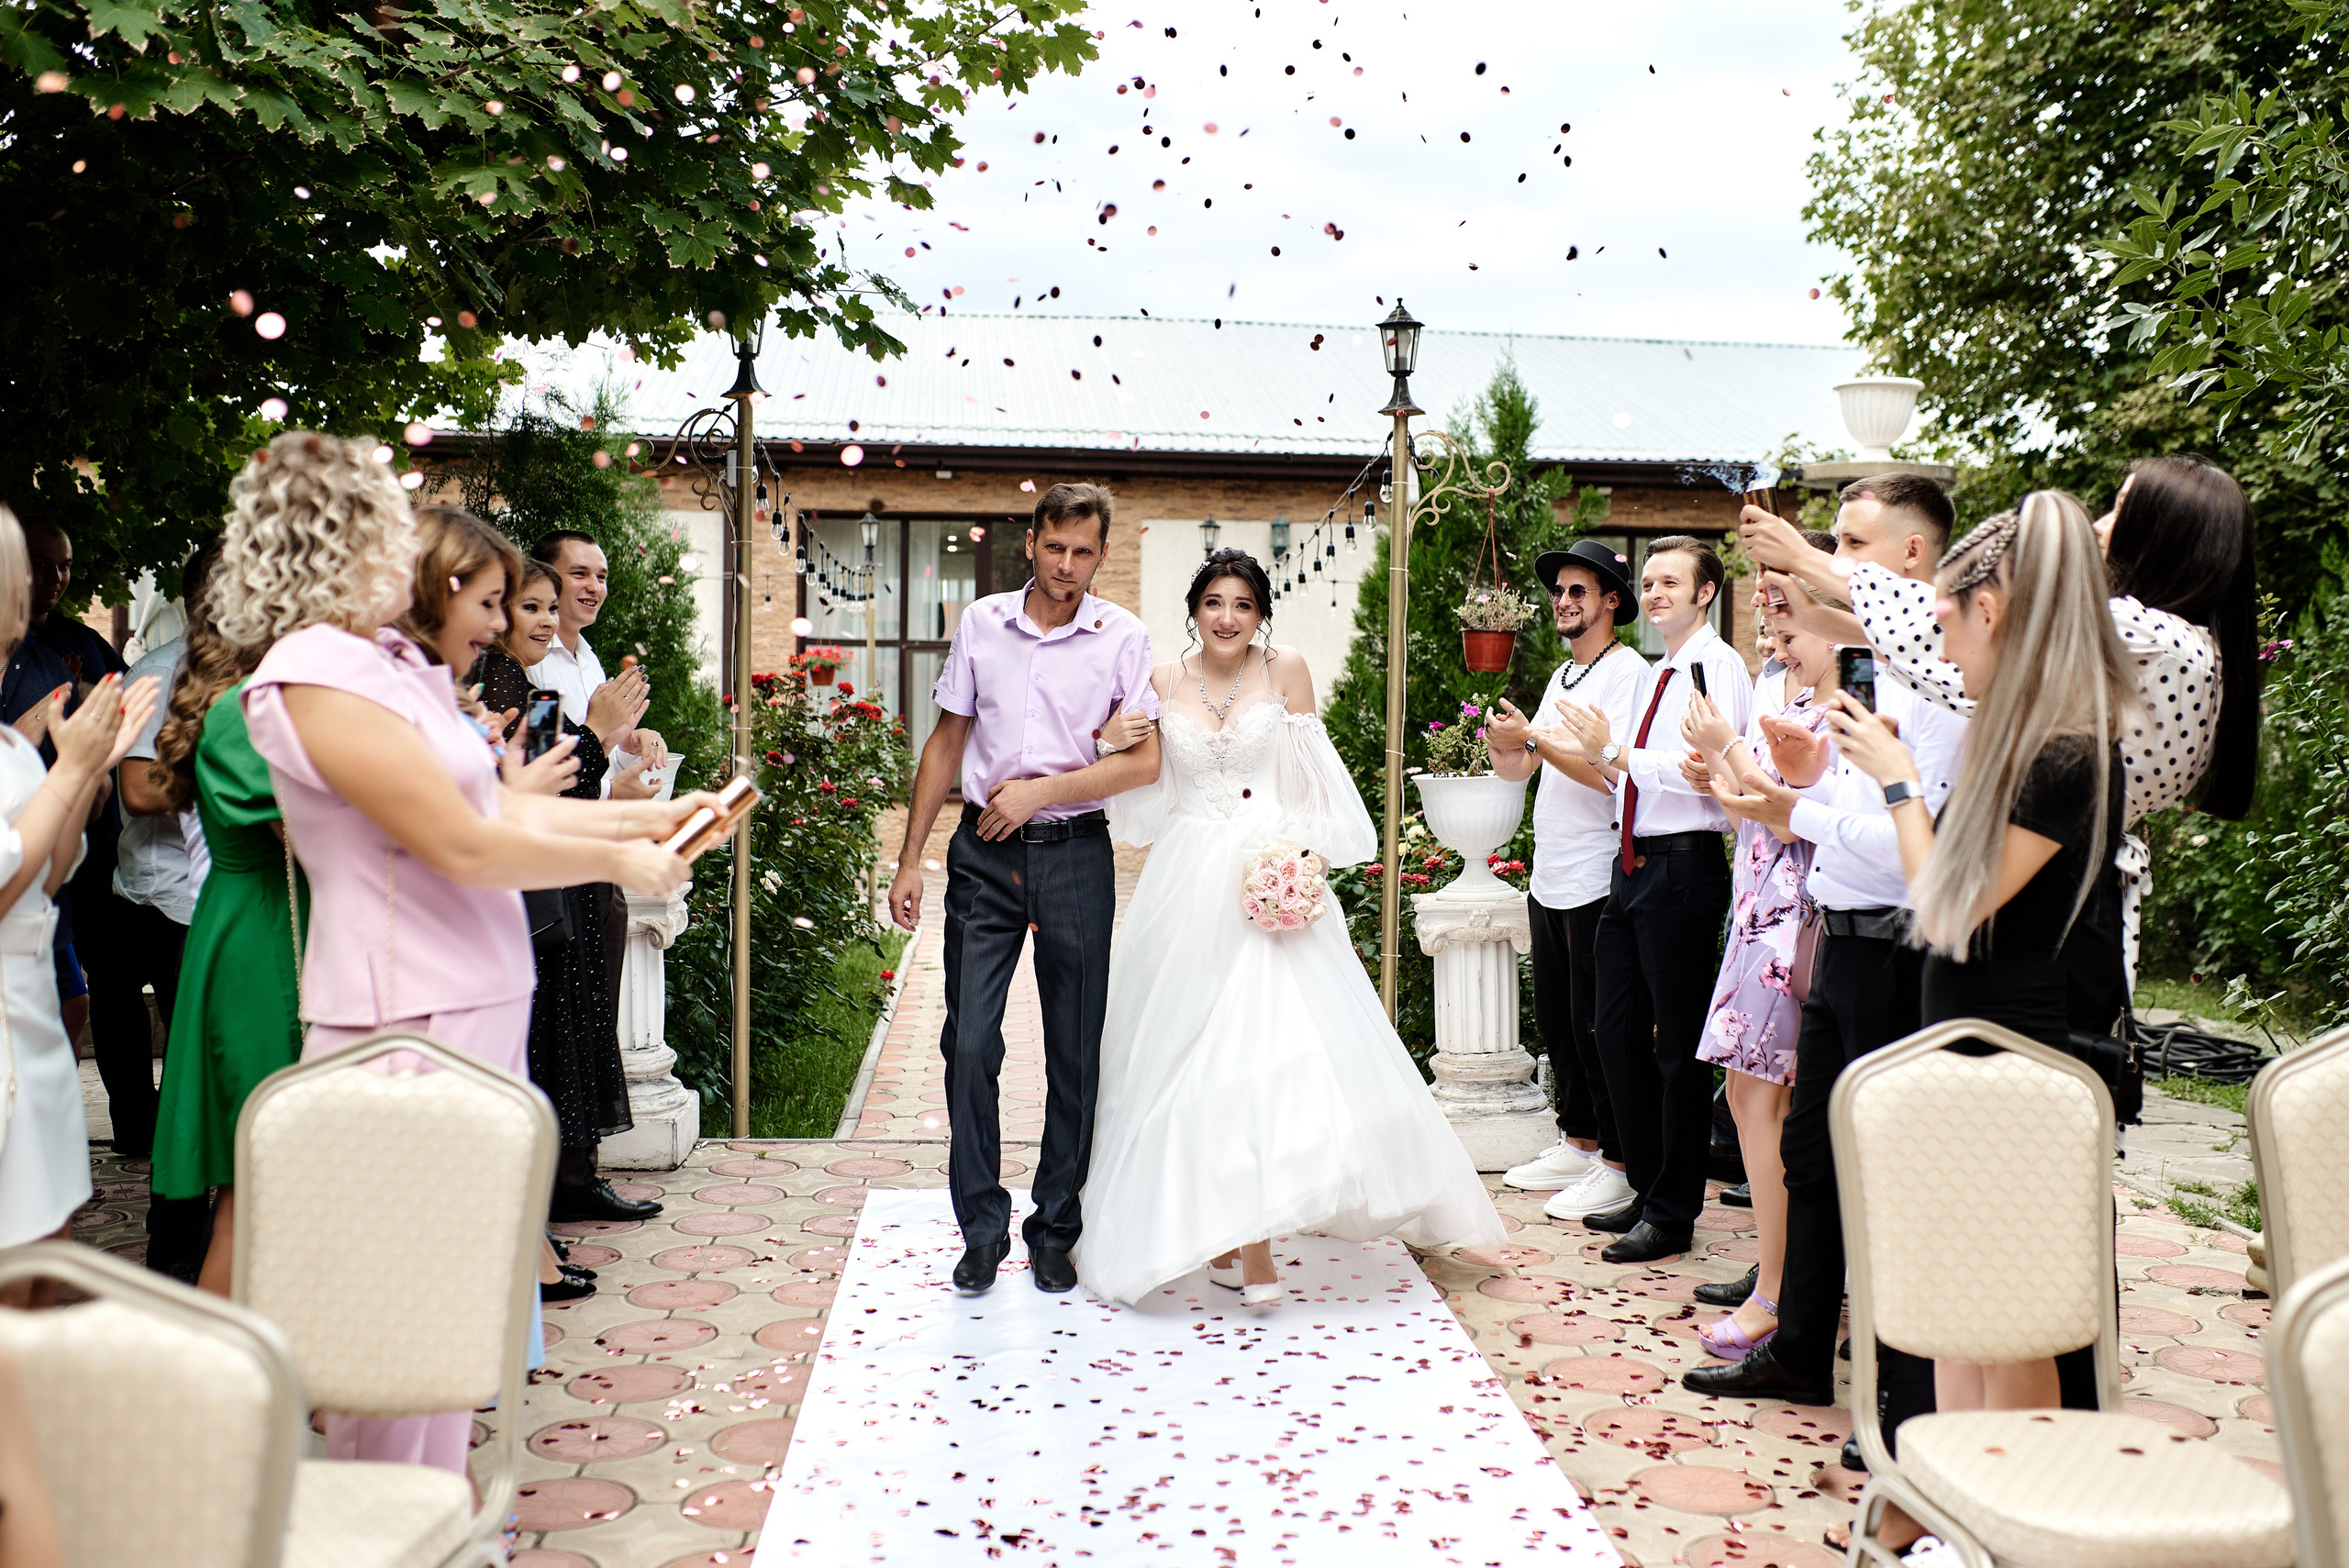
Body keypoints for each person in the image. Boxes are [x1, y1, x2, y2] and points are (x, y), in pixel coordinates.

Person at [227, 431, 719, 1473]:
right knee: (398, 1315)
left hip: (472, 1005)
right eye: (380, 519)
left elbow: (492, 803)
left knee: (450, 1318)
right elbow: (452, 840)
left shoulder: (390, 663)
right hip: (406, 1019)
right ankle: (384, 1514)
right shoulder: (311, 676)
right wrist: (626, 862)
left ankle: (431, 1503)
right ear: (333, 537)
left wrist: (651, 820)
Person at [1824, 492, 2138, 1553]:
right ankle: (1962, 1515)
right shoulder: (2024, 742)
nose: (1942, 647)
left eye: (1947, 622)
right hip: (1960, 1046)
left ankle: (2018, 1523)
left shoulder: (2068, 751)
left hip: (2016, 1057)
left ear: (1992, 609)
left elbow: (1948, 907)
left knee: (2013, 1321)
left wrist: (1898, 779)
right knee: (1955, 1303)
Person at [1078, 549, 1504, 1307]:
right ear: (1194, 608)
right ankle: (1213, 1227)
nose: (1227, 617)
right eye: (1214, 602)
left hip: (1266, 872)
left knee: (1263, 1054)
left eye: (1242, 604)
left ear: (1261, 612)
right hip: (1185, 883)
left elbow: (1314, 783)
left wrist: (1297, 864)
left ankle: (1257, 1245)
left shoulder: (1287, 670)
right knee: (1179, 1059)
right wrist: (1111, 736)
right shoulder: (1163, 680)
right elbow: (1145, 790)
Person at [1684, 473, 1966, 1411]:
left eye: (1850, 545)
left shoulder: (1947, 681)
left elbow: (1906, 842)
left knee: (1888, 1179)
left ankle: (1903, 1402)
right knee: (1812, 1155)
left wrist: (1793, 808)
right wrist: (1811, 783)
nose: (1834, 564)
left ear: (1911, 559)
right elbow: (1860, 795)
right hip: (1839, 937)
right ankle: (1800, 1351)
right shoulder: (1887, 668)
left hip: (1896, 944)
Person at [885, 483, 1162, 1297]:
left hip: (1075, 852)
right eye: (1056, 547)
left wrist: (1042, 791)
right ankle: (979, 1227)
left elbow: (1142, 762)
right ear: (1030, 542)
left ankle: (1053, 1229)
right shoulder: (981, 624)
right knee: (969, 1042)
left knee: (1075, 1049)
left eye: (1084, 552)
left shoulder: (1124, 638)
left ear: (1102, 554)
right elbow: (945, 742)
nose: (1068, 565)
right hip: (982, 855)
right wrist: (911, 858)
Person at [1551, 536, 1753, 1263]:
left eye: (1672, 581)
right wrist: (1612, 754)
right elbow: (1628, 766)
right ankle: (1646, 1183)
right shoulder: (1658, 671)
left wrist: (1620, 753)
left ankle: (1672, 1211)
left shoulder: (1713, 666)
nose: (1656, 590)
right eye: (1650, 580)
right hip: (1632, 866)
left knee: (1675, 1048)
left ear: (1705, 593)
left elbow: (1707, 770)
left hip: (1683, 867)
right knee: (1613, 1029)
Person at [472, 552, 662, 1236]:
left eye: (551, 608)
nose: (547, 621)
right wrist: (598, 731)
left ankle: (572, 1179)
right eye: (531, 607)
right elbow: (535, 785)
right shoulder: (493, 680)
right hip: (534, 888)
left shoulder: (527, 682)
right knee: (547, 1035)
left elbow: (571, 784)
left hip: (571, 879)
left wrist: (615, 773)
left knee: (572, 1030)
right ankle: (545, 1200)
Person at [0, 503, 161, 1270]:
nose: (45, 581)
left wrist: (89, 766)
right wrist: (67, 769)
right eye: (27, 564)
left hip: (39, 956)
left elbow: (48, 866)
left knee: (46, 1253)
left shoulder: (74, 648)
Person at [147, 533, 305, 1301]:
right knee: (258, 1179)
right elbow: (308, 834)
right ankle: (213, 1383)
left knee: (271, 1177)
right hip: (261, 939)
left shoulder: (253, 700)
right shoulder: (244, 710)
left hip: (257, 922)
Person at [1677, 618, 1841, 1360]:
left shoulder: (1847, 702)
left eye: (1787, 618)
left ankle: (1779, 1288)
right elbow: (1755, 804)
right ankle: (1777, 1277)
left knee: (1764, 1099)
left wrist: (1727, 747)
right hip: (1758, 903)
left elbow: (1795, 805)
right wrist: (1720, 777)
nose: (1775, 640)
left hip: (1795, 914)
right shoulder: (1790, 690)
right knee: (1749, 1099)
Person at [1482, 539, 1644, 1222]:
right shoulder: (1563, 677)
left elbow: (1611, 771)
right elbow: (1521, 770)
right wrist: (1504, 740)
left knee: (1596, 1022)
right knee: (1558, 1020)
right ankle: (1577, 1142)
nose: (1564, 602)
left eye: (1580, 592)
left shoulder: (1626, 671)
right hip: (1551, 872)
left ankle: (1618, 1159)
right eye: (1560, 591)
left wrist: (1538, 740)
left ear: (1611, 601)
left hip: (1597, 871)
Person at [111, 545, 220, 1284]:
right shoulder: (157, 672)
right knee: (189, 1087)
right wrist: (237, 774)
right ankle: (178, 1248)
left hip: (235, 897)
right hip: (169, 902)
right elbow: (139, 789)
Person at [21, 517, 131, 1102]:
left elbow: (124, 710)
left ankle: (129, 1123)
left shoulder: (80, 641)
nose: (55, 577)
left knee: (100, 987)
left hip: (95, 837)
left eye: (64, 564)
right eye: (42, 563)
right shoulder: (16, 650)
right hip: (24, 841)